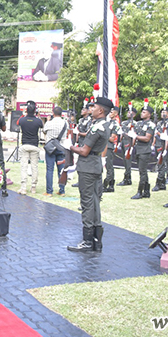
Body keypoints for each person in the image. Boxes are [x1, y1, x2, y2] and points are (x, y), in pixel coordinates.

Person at [68, 96, 113, 252]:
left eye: (94, 107)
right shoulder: (104, 125)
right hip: (95, 165)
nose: (91, 109)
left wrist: (70, 147)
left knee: (87, 203)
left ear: (100, 111)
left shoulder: (96, 127)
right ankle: (96, 240)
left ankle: (87, 240)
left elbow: (84, 151)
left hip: (87, 166)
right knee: (94, 202)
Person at [129, 99, 156, 199]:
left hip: (145, 150)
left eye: (144, 112)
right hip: (138, 149)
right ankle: (147, 191)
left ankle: (140, 192)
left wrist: (135, 136)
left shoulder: (151, 125)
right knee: (142, 171)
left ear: (149, 114)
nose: (142, 113)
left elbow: (147, 138)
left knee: (142, 172)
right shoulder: (139, 123)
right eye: (142, 112)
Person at [15, 101, 43, 194]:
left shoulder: (22, 120)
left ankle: (23, 188)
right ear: (35, 111)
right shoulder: (38, 121)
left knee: (24, 167)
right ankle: (33, 187)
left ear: (26, 110)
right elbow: (41, 125)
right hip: (34, 145)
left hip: (25, 145)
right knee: (34, 167)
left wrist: (23, 114)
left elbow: (17, 122)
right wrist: (38, 115)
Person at [43, 106, 67, 197]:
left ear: (53, 113)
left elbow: (44, 131)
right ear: (61, 114)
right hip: (61, 147)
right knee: (61, 170)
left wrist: (48, 120)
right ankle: (62, 190)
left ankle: (49, 191)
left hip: (50, 149)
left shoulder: (49, 123)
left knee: (50, 170)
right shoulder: (65, 123)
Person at [152, 103, 168, 192]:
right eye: (162, 112)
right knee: (159, 163)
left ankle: (159, 182)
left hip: (166, 146)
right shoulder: (159, 123)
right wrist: (153, 144)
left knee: (162, 164)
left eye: (165, 112)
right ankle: (162, 183)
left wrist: (165, 148)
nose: (163, 114)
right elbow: (155, 133)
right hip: (158, 144)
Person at [103, 108, 121, 192]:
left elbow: (112, 139)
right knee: (108, 166)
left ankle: (106, 184)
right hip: (104, 146)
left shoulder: (115, 124)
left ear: (115, 114)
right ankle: (111, 185)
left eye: (111, 112)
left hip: (109, 146)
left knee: (109, 167)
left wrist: (103, 134)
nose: (109, 114)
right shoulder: (108, 122)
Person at [118, 104, 136, 186]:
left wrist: (132, 146)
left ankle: (127, 179)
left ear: (134, 115)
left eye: (130, 112)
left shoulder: (135, 123)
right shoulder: (123, 123)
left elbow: (133, 136)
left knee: (128, 162)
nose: (128, 113)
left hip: (129, 143)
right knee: (125, 162)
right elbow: (121, 134)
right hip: (123, 142)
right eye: (128, 112)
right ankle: (127, 178)